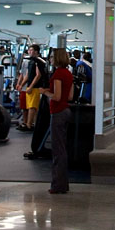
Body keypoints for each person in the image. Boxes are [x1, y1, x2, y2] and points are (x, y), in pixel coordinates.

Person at [40, 47, 73, 194]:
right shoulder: (68, 74)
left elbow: (57, 96)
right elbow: (69, 96)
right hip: (66, 111)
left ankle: (58, 185)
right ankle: (62, 184)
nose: (50, 59)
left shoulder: (58, 74)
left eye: (52, 57)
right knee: (62, 148)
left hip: (58, 112)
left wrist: (45, 92)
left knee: (57, 150)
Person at [20, 44, 48, 131]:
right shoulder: (31, 61)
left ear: (36, 52)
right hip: (29, 86)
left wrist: (31, 86)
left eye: (31, 50)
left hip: (35, 87)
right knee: (30, 106)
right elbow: (28, 75)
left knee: (32, 107)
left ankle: (29, 125)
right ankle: (33, 124)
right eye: (29, 50)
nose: (29, 51)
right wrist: (21, 84)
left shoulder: (39, 61)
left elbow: (38, 75)